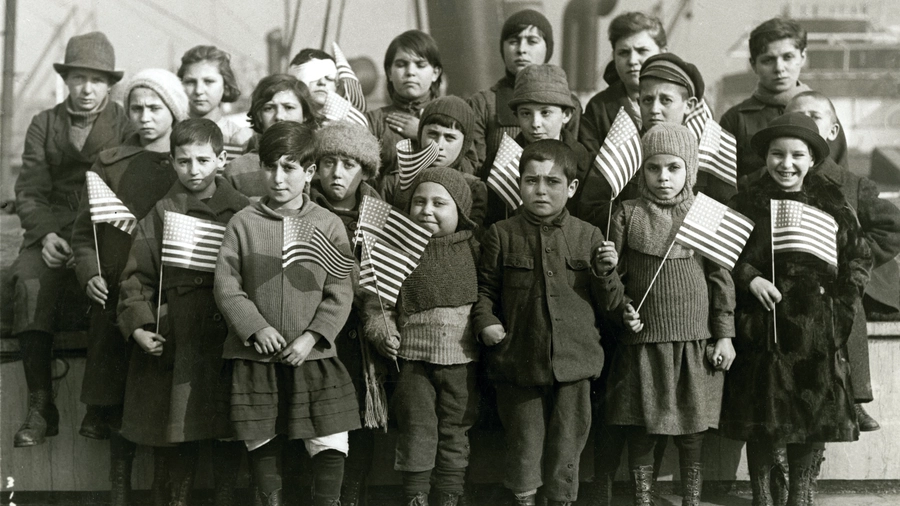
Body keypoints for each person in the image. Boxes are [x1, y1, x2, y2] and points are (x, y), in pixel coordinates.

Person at [720, 113, 871, 506]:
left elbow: (858, 257)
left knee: (812, 414)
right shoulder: (746, 200)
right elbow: (719, 253)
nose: (785, 164)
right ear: (765, 156)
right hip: (761, 325)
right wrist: (750, 277)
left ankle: (801, 494)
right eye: (776, 154)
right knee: (763, 415)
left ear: (812, 159)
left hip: (815, 328)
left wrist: (838, 306)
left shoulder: (831, 201)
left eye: (796, 155)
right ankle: (764, 495)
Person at [214, 121, 360, 506]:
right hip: (255, 357)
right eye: (270, 166)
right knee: (262, 443)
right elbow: (228, 286)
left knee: (329, 440)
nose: (278, 178)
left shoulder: (326, 224)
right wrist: (256, 327)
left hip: (312, 357)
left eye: (290, 167)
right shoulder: (243, 223)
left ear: (310, 172)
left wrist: (311, 337)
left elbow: (340, 290)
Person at [472, 139, 622, 506]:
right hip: (519, 363)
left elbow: (612, 305)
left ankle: (561, 501)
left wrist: (606, 273)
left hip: (575, 363)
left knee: (567, 446)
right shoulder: (501, 234)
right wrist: (485, 320)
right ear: (519, 183)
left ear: (571, 188)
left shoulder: (589, 236)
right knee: (524, 444)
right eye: (531, 180)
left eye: (552, 182)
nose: (540, 189)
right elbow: (484, 290)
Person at [741, 91, 900, 433]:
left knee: (846, 306)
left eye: (814, 117)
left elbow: (889, 228)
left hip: (827, 285)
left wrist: (846, 267)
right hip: (775, 285)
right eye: (796, 115)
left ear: (831, 131)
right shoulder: (759, 184)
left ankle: (853, 394)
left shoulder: (850, 185)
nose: (805, 124)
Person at [70, 67, 189, 506]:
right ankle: (118, 488)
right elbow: (84, 233)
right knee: (119, 397)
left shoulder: (187, 164)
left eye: (155, 108)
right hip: (118, 293)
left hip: (169, 296)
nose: (145, 117)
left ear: (173, 112)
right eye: (136, 108)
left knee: (160, 399)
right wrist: (89, 273)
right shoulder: (110, 162)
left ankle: (163, 491)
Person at [116, 119, 249, 506]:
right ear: (172, 163)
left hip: (228, 335)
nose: (194, 170)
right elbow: (136, 276)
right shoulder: (162, 212)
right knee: (177, 437)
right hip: (180, 342)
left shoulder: (241, 211)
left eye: (203, 160)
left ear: (222, 159)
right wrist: (139, 324)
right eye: (184, 161)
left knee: (228, 432)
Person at [10, 31, 131, 450]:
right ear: (66, 80)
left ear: (110, 84)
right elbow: (29, 190)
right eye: (78, 78)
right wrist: (44, 235)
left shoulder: (125, 123)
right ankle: (41, 405)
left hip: (104, 229)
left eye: (96, 80)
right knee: (28, 281)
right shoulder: (44, 123)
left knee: (110, 288)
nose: (86, 89)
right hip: (53, 229)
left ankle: (101, 406)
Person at [605, 124, 736, 506]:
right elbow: (614, 278)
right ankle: (643, 498)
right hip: (644, 340)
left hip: (693, 341)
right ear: (641, 170)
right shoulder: (628, 214)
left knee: (692, 427)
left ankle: (690, 499)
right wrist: (621, 308)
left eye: (674, 168)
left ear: (689, 170)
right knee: (641, 426)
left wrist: (723, 334)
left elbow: (720, 278)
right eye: (654, 168)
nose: (663, 177)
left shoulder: (704, 214)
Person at [366, 167, 481, 506]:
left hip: (462, 363)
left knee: (455, 430)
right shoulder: (396, 250)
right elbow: (378, 302)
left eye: (439, 203)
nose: (426, 210)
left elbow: (489, 296)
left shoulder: (476, 248)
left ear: (459, 211)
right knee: (417, 430)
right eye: (419, 201)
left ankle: (449, 494)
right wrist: (382, 331)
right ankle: (416, 495)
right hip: (413, 364)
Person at [308, 120, 383, 506]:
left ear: (366, 171)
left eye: (349, 164)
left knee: (361, 424)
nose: (337, 173)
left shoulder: (381, 217)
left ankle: (353, 497)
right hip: (319, 336)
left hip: (364, 342)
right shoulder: (302, 211)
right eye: (329, 162)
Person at [578, 52, 736, 233]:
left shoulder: (709, 154)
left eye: (666, 100)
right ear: (638, 102)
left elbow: (723, 217)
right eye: (647, 100)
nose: (654, 109)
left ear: (689, 105)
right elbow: (592, 209)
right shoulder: (623, 149)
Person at [720, 17, 849, 182]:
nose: (779, 68)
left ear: (802, 57)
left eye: (788, 57)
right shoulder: (735, 120)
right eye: (768, 60)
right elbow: (722, 186)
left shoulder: (823, 113)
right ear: (753, 65)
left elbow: (842, 179)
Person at [467, 9, 582, 171]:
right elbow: (476, 166)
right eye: (513, 41)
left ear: (547, 47)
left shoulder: (567, 102)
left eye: (532, 41)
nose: (521, 49)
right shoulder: (482, 103)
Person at [482, 64, 590, 228]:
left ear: (566, 115)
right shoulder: (499, 163)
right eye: (526, 113)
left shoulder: (585, 163)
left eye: (545, 113)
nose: (535, 123)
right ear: (516, 116)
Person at [384, 96, 488, 231]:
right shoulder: (395, 182)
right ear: (420, 135)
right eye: (432, 134)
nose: (439, 145)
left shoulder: (474, 188)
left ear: (465, 143)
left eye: (450, 137)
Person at [579, 12, 666, 157]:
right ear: (614, 56)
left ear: (663, 53)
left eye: (642, 51)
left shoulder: (685, 102)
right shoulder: (599, 108)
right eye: (624, 53)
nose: (632, 60)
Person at [366, 30, 443, 192]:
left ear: (435, 73)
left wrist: (423, 135)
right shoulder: (373, 121)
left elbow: (468, 167)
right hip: (386, 208)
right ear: (389, 73)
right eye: (401, 65)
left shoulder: (451, 116)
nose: (410, 72)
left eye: (420, 65)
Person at [223, 74, 321, 198]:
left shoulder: (324, 164)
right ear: (258, 115)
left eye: (289, 107)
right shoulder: (237, 170)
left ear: (305, 114)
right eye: (269, 108)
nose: (279, 116)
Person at [178, 45, 253, 158]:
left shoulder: (238, 138)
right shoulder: (168, 133)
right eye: (190, 82)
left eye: (208, 81)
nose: (199, 91)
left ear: (226, 86)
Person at [289, 48, 338, 113]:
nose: (322, 82)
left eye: (329, 77)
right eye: (314, 75)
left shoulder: (348, 121)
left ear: (336, 85)